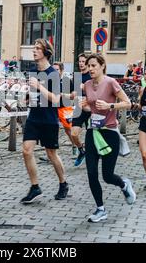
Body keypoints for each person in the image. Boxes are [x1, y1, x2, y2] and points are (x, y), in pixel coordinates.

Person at [80, 54, 136, 222]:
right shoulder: (87, 85)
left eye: (93, 65)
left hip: (109, 132)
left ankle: (124, 185)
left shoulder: (111, 82)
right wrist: (85, 106)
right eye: (88, 66)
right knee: (91, 172)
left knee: (107, 175)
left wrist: (110, 105)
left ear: (102, 66)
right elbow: (92, 107)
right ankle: (100, 209)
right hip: (93, 132)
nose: (89, 69)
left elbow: (128, 103)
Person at [20, 38, 68, 204]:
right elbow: (36, 94)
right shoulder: (33, 70)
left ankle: (63, 183)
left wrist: (40, 86)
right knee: (26, 151)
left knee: (51, 154)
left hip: (49, 119)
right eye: (34, 48)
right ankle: (35, 187)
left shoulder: (52, 73)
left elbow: (55, 99)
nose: (34, 51)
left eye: (37, 48)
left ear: (45, 52)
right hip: (34, 117)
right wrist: (28, 97)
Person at [71, 53, 92, 167]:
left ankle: (93, 154)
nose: (81, 64)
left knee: (92, 136)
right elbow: (74, 92)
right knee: (73, 134)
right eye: (79, 61)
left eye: (83, 62)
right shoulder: (76, 75)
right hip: (79, 107)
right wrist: (73, 94)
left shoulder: (92, 75)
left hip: (90, 108)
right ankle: (81, 151)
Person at [52, 62, 75, 152]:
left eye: (57, 70)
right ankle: (52, 151)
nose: (54, 71)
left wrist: (62, 95)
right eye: (53, 70)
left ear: (61, 70)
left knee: (69, 129)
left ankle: (75, 145)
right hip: (53, 108)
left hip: (65, 107)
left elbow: (73, 95)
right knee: (53, 129)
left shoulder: (67, 80)